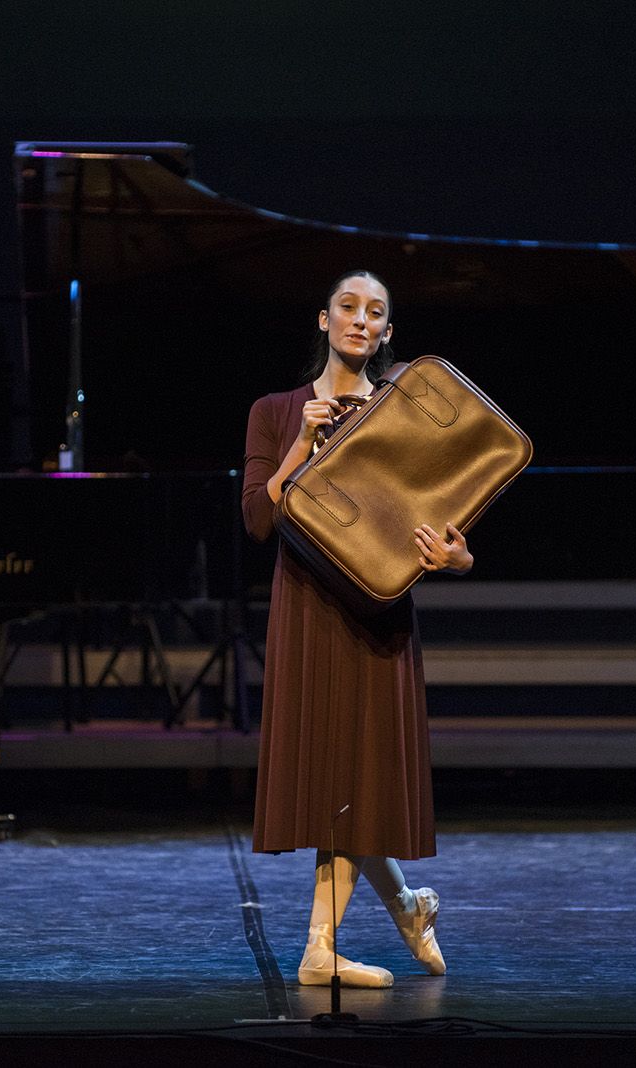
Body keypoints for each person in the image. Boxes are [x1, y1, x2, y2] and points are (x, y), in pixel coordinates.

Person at [243, 270, 470, 988]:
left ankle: (344, 937)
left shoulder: (405, 415)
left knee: (361, 778)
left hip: (378, 614)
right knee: (334, 779)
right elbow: (258, 517)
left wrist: (458, 557)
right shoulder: (276, 410)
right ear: (323, 320)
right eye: (348, 307)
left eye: (376, 312)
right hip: (308, 609)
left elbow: (440, 513)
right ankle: (393, 915)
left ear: (388, 333)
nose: (360, 320)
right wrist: (298, 449)